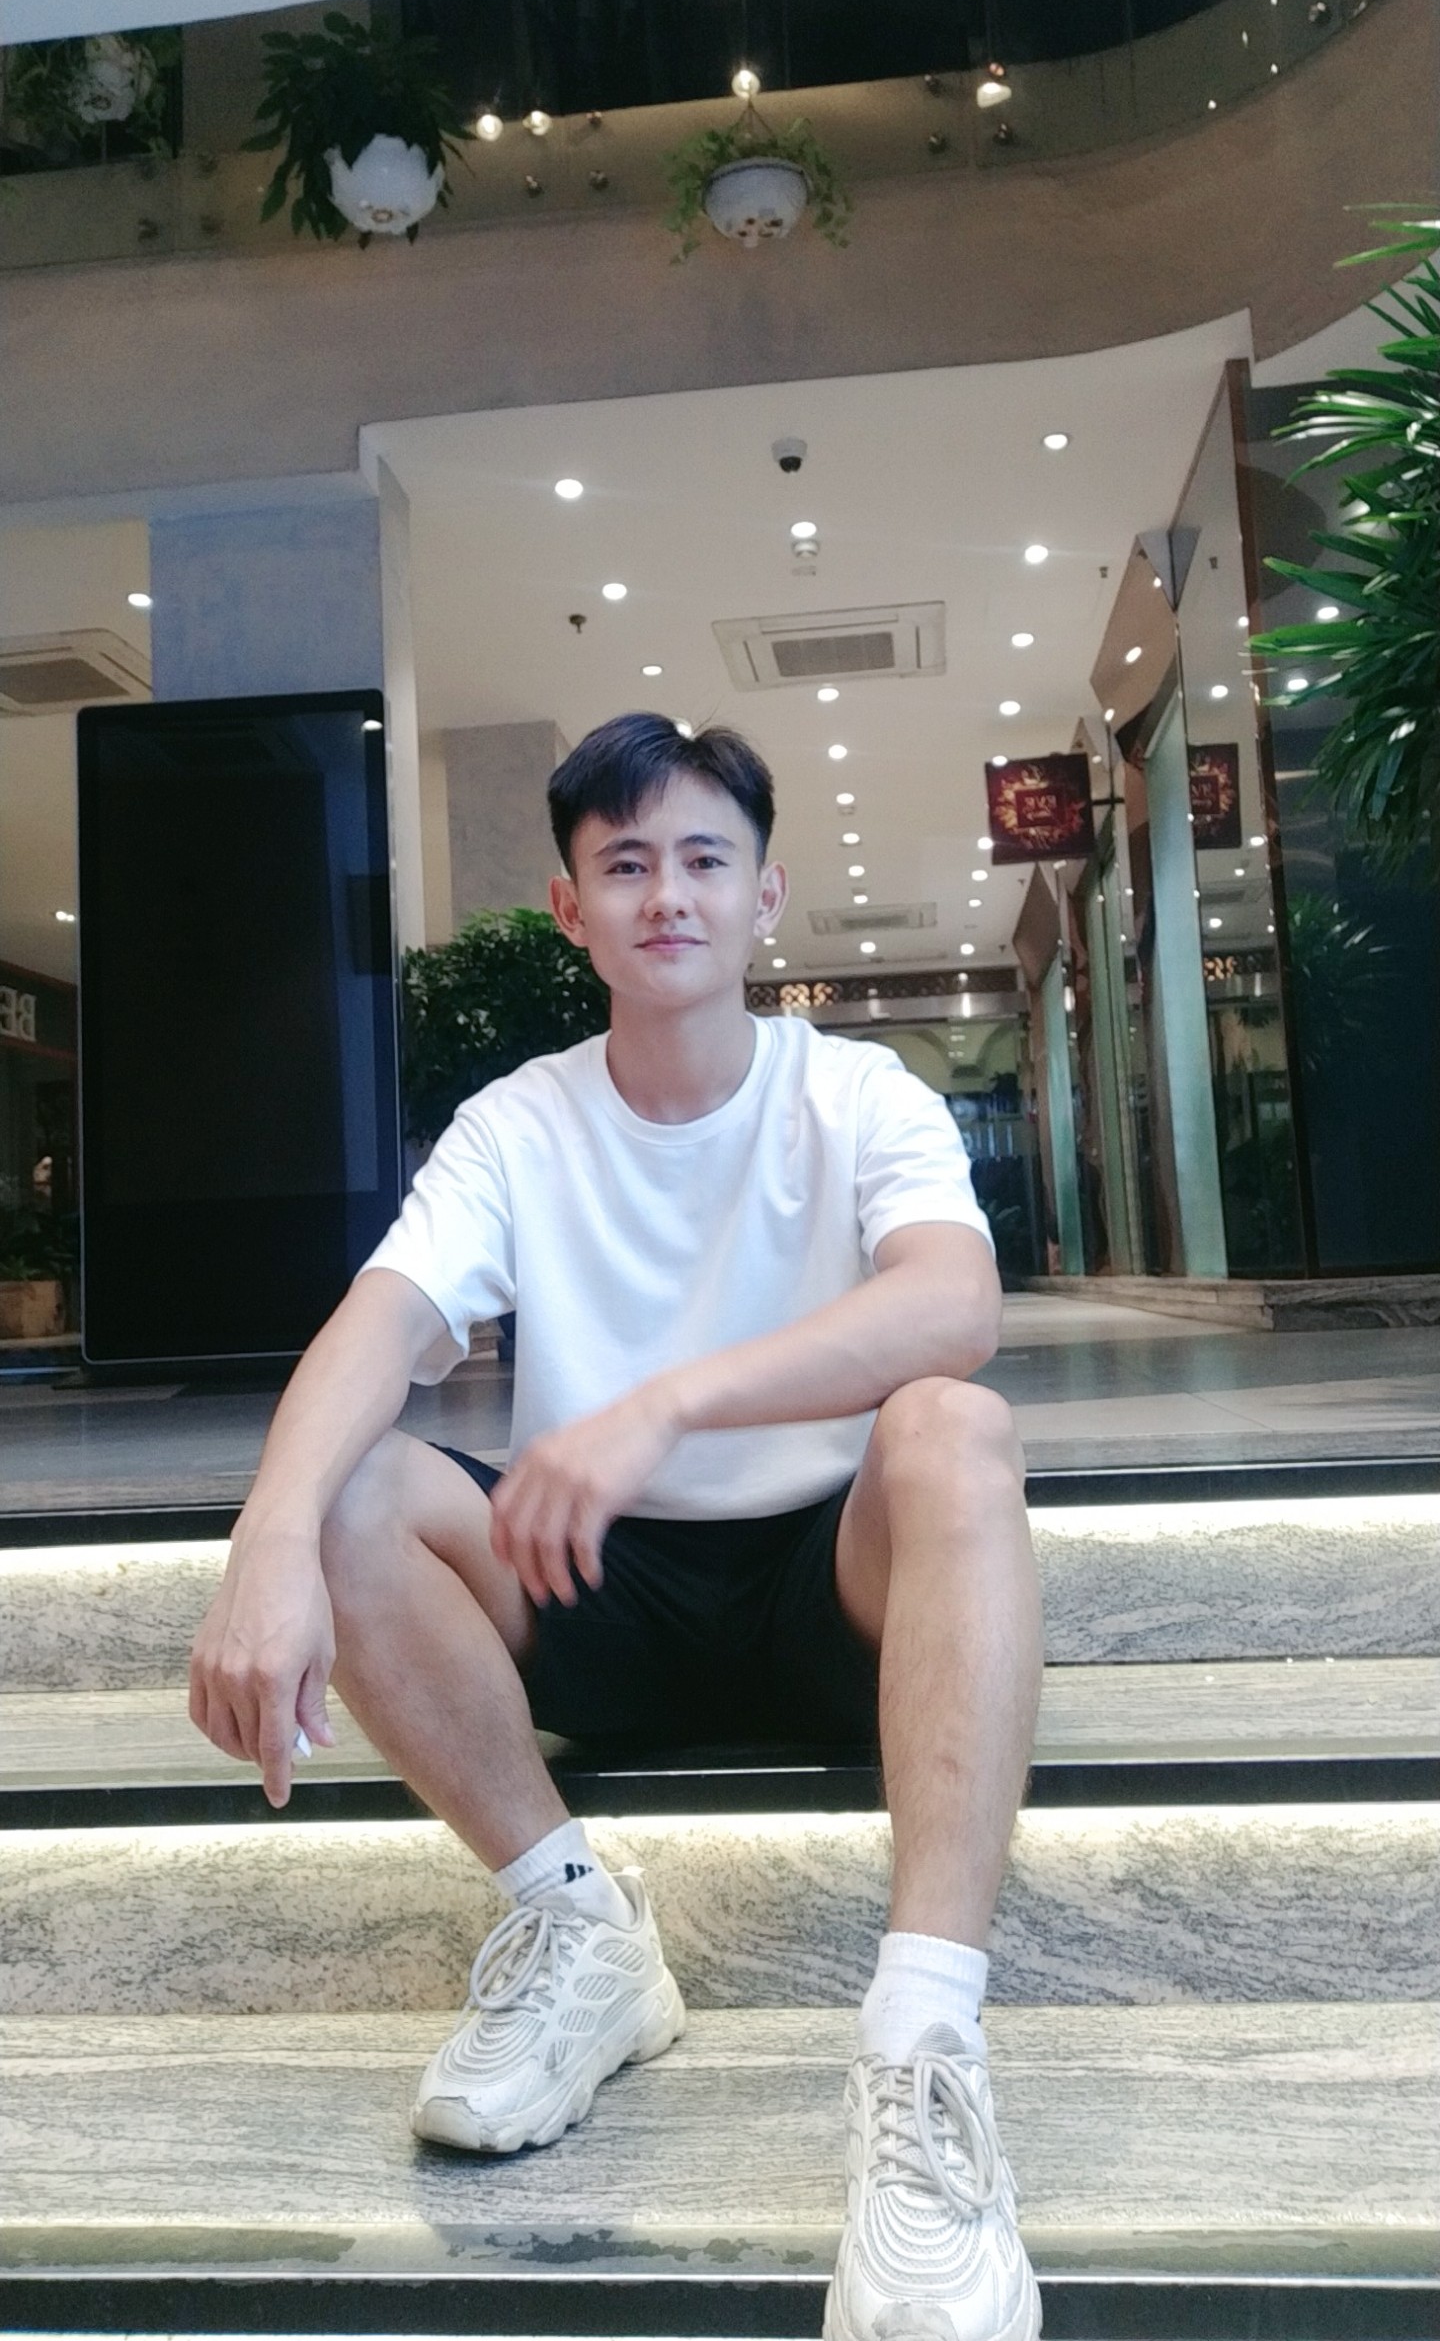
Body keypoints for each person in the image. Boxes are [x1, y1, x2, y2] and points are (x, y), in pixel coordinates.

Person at [190, 711, 1044, 2341]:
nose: (669, 894)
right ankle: (579, 1927)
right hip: (593, 1584)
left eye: (705, 859)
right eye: (627, 862)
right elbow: (383, 1319)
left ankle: (926, 2044)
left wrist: (669, 1403)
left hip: (833, 1586)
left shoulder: (854, 1090)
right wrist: (267, 1542)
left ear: (764, 895)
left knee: (954, 1427)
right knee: (352, 1487)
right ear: (571, 908)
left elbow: (956, 1303)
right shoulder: (521, 1122)